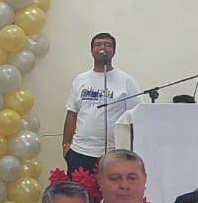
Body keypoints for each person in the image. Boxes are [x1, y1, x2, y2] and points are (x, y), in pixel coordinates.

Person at [61, 33, 142, 176]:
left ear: (114, 52)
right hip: (80, 151)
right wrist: (66, 145)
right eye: (98, 44)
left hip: (113, 153)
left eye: (108, 45)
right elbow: (72, 113)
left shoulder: (126, 81)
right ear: (91, 51)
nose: (103, 47)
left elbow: (137, 116)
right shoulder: (81, 80)